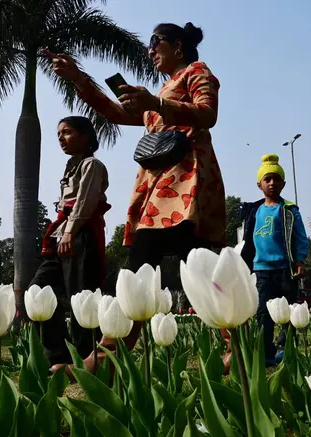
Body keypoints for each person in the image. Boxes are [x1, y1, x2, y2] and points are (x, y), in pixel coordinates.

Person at [49, 22, 226, 376]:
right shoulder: (160, 89)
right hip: (159, 186)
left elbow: (208, 114)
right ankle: (109, 357)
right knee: (165, 264)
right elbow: (114, 113)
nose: (150, 50)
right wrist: (79, 80)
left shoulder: (196, 71)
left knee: (177, 264)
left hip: (187, 183)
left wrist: (156, 102)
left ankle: (106, 359)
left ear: (177, 45)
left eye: (155, 43)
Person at [28, 116, 110, 366]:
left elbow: (85, 201)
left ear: (85, 136)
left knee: (81, 298)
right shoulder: (71, 167)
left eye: (67, 132)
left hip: (79, 234)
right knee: (37, 292)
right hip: (61, 235)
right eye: (58, 134)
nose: (61, 138)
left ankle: (88, 357)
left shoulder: (92, 165)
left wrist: (69, 233)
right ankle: (59, 354)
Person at [223, 154, 309, 370]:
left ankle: (285, 348)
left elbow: (299, 236)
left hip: (285, 269)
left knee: (287, 311)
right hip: (261, 270)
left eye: (276, 179)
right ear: (259, 184)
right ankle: (266, 353)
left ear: (284, 183)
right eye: (267, 179)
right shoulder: (254, 211)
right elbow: (247, 240)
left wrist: (300, 259)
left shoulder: (289, 210)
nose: (272, 184)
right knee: (263, 313)